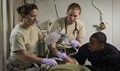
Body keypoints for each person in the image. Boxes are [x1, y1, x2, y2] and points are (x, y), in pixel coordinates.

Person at [7, 3, 57, 71]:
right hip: (18, 65)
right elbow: (24, 56)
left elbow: (43, 38)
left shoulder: (33, 26)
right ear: (23, 16)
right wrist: (43, 61)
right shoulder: (17, 34)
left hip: (31, 61)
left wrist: (52, 37)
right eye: (32, 16)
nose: (35, 19)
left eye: (36, 16)